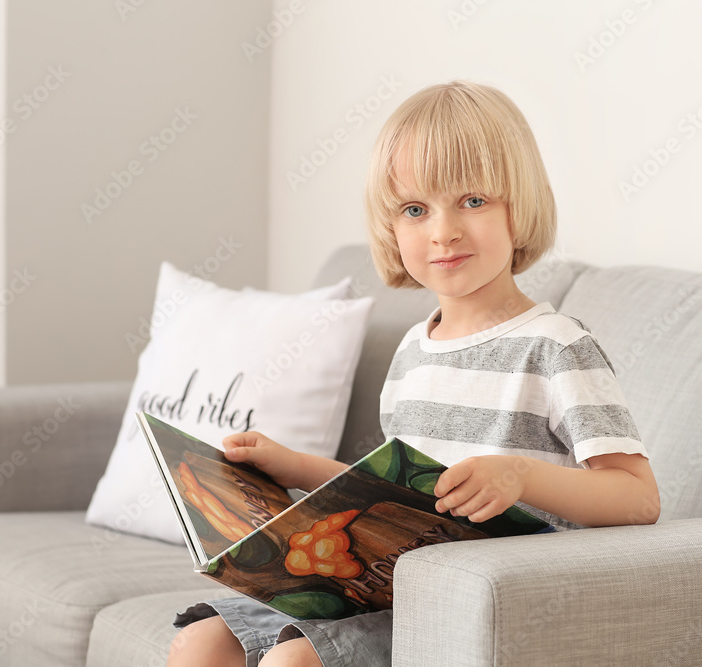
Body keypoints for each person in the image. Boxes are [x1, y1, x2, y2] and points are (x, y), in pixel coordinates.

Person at [167, 80, 660, 667]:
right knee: (199, 643)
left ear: (518, 207)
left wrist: (521, 476)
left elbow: (638, 499)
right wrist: (292, 467)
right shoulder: (413, 352)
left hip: (489, 603)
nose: (442, 231)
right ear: (392, 229)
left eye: (472, 201)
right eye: (415, 209)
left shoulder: (556, 347)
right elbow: (401, 494)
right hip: (393, 586)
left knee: (292, 663)